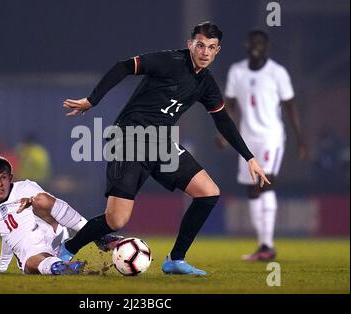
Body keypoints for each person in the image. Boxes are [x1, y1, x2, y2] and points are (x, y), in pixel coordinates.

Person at [61, 22, 270, 275]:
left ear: (218, 51)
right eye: (201, 45)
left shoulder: (206, 83)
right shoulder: (169, 61)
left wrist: (249, 157)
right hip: (128, 138)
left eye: (211, 47)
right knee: (116, 220)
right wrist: (91, 100)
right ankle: (66, 250)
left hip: (160, 143)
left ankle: (175, 260)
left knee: (208, 192)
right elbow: (124, 67)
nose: (205, 52)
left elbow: (223, 120)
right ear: (190, 44)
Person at [220, 30, 308, 261]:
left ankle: (268, 245)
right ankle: (263, 245)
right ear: (245, 45)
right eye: (252, 42)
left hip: (271, 137)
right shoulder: (237, 72)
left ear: (266, 47)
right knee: (252, 189)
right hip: (246, 140)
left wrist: (300, 140)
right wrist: (223, 133)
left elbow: (290, 106)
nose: (255, 46)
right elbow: (229, 105)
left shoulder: (277, 73)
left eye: (260, 43)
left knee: (264, 182)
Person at [0, 155, 118, 275]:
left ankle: (98, 237)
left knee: (42, 199)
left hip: (52, 232)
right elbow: (7, 236)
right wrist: (1, 267)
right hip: (32, 251)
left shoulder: (26, 187)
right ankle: (60, 266)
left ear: (10, 177)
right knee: (30, 262)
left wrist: (31, 201)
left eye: (3, 177)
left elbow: (53, 205)